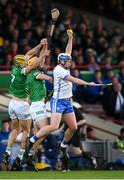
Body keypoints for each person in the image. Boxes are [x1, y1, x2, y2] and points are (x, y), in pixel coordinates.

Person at [25, 29, 98, 164]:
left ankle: (63, 146)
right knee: (53, 126)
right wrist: (88, 83)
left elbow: (68, 51)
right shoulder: (58, 70)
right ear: (62, 61)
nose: (70, 62)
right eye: (68, 61)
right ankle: (31, 141)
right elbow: (73, 80)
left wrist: (70, 38)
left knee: (74, 127)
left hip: (67, 101)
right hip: (58, 101)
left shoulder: (64, 65)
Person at [2, 38, 50, 170]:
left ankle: (7, 152)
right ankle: (20, 156)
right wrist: (43, 54)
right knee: (27, 131)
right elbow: (34, 64)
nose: (25, 60)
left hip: (11, 104)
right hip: (22, 105)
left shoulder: (14, 67)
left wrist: (40, 45)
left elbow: (29, 53)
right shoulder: (23, 72)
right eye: (23, 61)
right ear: (21, 64)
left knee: (15, 129)